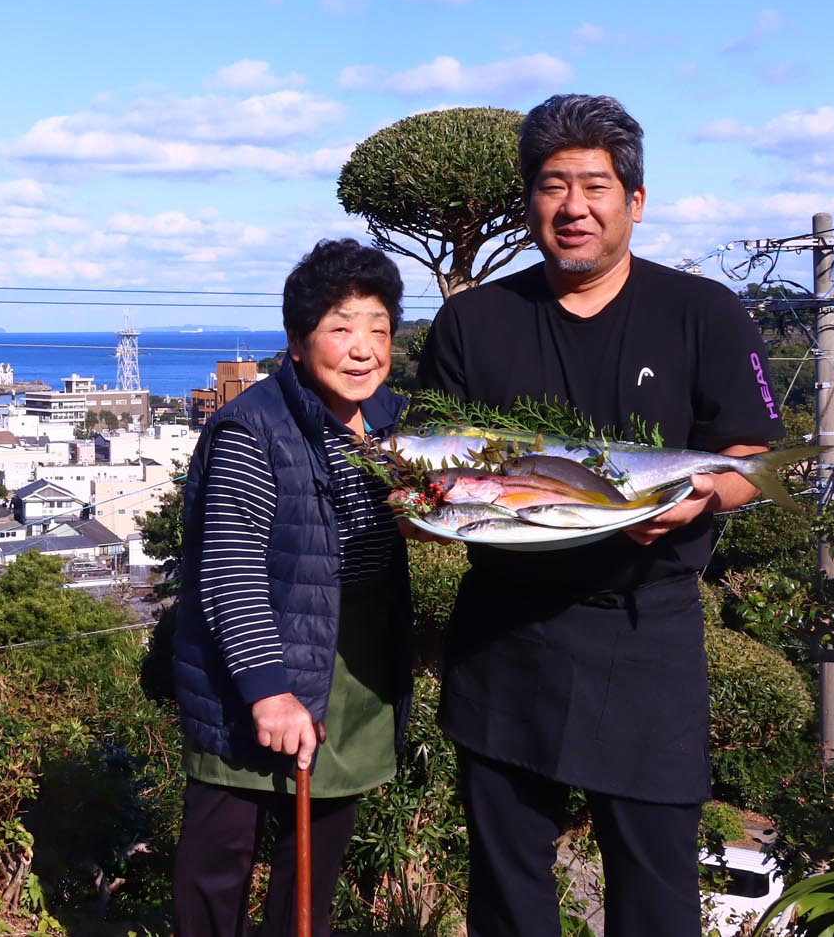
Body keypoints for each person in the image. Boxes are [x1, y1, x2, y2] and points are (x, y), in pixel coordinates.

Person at [416, 93, 788, 936]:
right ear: (529, 203)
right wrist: (419, 505)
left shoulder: (704, 313)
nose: (573, 207)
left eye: (595, 185)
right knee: (508, 896)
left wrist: (697, 498)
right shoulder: (474, 320)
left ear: (636, 201)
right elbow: (431, 466)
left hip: (647, 632)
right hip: (506, 638)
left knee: (656, 897)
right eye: (553, 186)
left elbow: (751, 461)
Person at [172, 238, 415, 937]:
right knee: (219, 861)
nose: (363, 346)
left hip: (355, 667)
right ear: (298, 342)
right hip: (255, 666)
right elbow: (229, 567)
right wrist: (268, 689)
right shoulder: (253, 428)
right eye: (341, 327)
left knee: (315, 866)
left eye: (378, 327)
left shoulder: (394, 426)